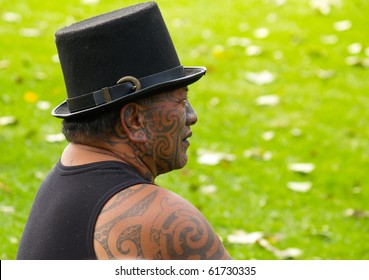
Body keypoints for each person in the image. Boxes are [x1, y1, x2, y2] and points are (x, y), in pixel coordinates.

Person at [17, 1, 231, 260]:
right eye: (180, 101)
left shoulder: (64, 180)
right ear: (134, 120)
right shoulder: (165, 222)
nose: (192, 116)